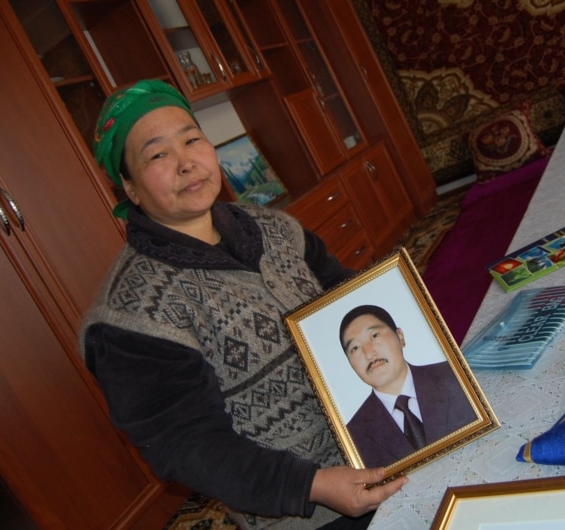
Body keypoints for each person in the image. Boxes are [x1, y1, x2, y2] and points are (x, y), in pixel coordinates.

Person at [79, 79, 406, 529]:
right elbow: (187, 445)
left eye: (191, 140)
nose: (186, 162)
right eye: (157, 155)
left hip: (390, 434)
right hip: (309, 510)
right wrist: (311, 485)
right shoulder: (130, 316)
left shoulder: (273, 227)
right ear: (130, 188)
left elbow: (342, 291)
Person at [339, 305, 478, 468]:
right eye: (355, 348)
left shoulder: (454, 374)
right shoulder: (353, 438)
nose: (369, 353)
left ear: (400, 337)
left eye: (374, 335)